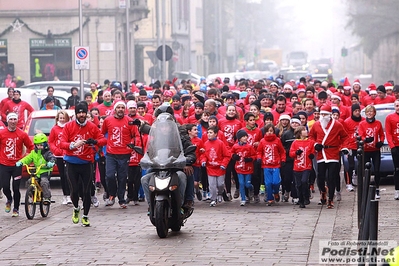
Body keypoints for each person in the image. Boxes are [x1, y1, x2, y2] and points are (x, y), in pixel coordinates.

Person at [140, 104, 196, 208]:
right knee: (144, 178)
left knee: (184, 175)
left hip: (175, 165)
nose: (164, 126)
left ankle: (185, 201)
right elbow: (150, 151)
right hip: (159, 166)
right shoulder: (155, 134)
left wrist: (187, 161)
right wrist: (146, 159)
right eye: (162, 125)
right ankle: (151, 205)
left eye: (166, 124)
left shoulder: (181, 132)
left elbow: (190, 150)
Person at [59, 102, 107, 226]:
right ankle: (76, 208)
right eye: (79, 112)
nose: (81, 114)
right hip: (71, 162)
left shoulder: (92, 127)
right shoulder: (69, 126)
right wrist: (72, 145)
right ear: (76, 114)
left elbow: (103, 140)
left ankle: (85, 216)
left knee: (86, 191)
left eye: (83, 112)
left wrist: (95, 141)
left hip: (86, 162)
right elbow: (61, 143)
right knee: (74, 190)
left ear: (86, 113)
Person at [309, 105, 349, 209]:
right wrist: (314, 144)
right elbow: (311, 136)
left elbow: (345, 137)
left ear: (330, 115)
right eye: (321, 114)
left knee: (331, 177)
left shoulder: (337, 125)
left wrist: (344, 147)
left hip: (333, 153)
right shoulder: (316, 125)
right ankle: (323, 191)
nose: (323, 116)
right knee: (320, 177)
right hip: (321, 153)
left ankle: (330, 199)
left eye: (325, 114)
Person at [101, 101, 139, 208]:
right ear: (115, 109)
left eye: (123, 107)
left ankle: (121, 199)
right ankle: (112, 194)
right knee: (109, 176)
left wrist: (131, 145)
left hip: (124, 154)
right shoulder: (108, 120)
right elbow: (101, 133)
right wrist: (104, 143)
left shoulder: (130, 121)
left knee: (122, 178)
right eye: (119, 107)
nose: (121, 109)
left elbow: (135, 135)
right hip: (111, 153)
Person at [0, 113, 34, 217]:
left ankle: (16, 208)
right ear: (8, 121)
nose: (13, 121)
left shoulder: (22, 134)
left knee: (16, 188)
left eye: (15, 119)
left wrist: (30, 158)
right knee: (5, 186)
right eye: (11, 119)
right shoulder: (2, 133)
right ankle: (9, 199)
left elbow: (31, 146)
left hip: (17, 165)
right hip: (4, 164)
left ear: (17, 121)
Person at [16, 133, 56, 204]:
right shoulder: (33, 153)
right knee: (29, 182)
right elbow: (27, 158)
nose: (39, 147)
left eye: (41, 145)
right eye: (37, 145)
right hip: (37, 171)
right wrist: (21, 162)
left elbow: (52, 158)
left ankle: (47, 197)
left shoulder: (47, 153)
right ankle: (32, 194)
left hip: (45, 171)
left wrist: (51, 162)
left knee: (44, 182)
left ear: (45, 145)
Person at [358, 105, 384, 199]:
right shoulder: (362, 124)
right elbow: (360, 135)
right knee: (367, 171)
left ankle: (377, 189)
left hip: (375, 150)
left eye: (371, 111)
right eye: (367, 112)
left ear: (374, 113)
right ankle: (367, 188)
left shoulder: (378, 123)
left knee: (377, 170)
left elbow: (381, 134)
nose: (369, 113)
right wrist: (366, 139)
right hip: (366, 150)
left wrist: (381, 142)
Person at [200, 126, 231, 207]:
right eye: (208, 133)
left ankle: (220, 193)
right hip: (210, 168)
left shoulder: (220, 143)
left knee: (220, 184)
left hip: (220, 168)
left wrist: (224, 164)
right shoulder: (206, 144)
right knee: (212, 185)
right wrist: (203, 161)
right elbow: (203, 155)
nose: (209, 134)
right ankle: (213, 199)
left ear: (216, 134)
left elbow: (227, 155)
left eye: (211, 133)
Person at [257, 123, 286, 206]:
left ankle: (276, 192)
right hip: (266, 165)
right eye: (267, 131)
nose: (269, 132)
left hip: (276, 165)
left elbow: (282, 151)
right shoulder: (262, 141)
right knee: (268, 183)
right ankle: (270, 198)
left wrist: (283, 160)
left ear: (274, 131)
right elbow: (259, 151)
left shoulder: (277, 140)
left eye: (271, 131)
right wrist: (259, 158)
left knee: (276, 182)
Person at [48, 110, 72, 205]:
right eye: (60, 118)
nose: (62, 120)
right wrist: (55, 150)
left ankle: (70, 195)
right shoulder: (54, 129)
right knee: (62, 176)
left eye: (63, 118)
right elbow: (51, 142)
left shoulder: (69, 128)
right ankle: (65, 195)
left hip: (67, 155)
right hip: (58, 155)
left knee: (68, 175)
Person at [289, 126, 315, 208]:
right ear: (299, 133)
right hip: (297, 167)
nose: (306, 131)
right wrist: (296, 153)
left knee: (304, 181)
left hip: (307, 166)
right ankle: (301, 200)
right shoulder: (295, 143)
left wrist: (312, 155)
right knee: (298, 184)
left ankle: (306, 196)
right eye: (304, 130)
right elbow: (291, 154)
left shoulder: (310, 142)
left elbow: (313, 152)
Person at [230, 129, 256, 206]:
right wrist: (234, 156)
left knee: (247, 184)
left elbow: (254, 155)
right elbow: (231, 153)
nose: (245, 138)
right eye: (243, 136)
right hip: (239, 168)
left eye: (246, 136)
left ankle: (251, 189)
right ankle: (243, 199)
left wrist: (250, 159)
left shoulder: (249, 147)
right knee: (241, 183)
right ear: (239, 138)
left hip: (248, 168)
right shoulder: (235, 146)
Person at [385, 99, 399, 200]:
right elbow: (388, 133)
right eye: (397, 105)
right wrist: (392, 146)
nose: (398, 107)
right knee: (397, 169)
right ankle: (397, 190)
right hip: (396, 147)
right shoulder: (390, 117)